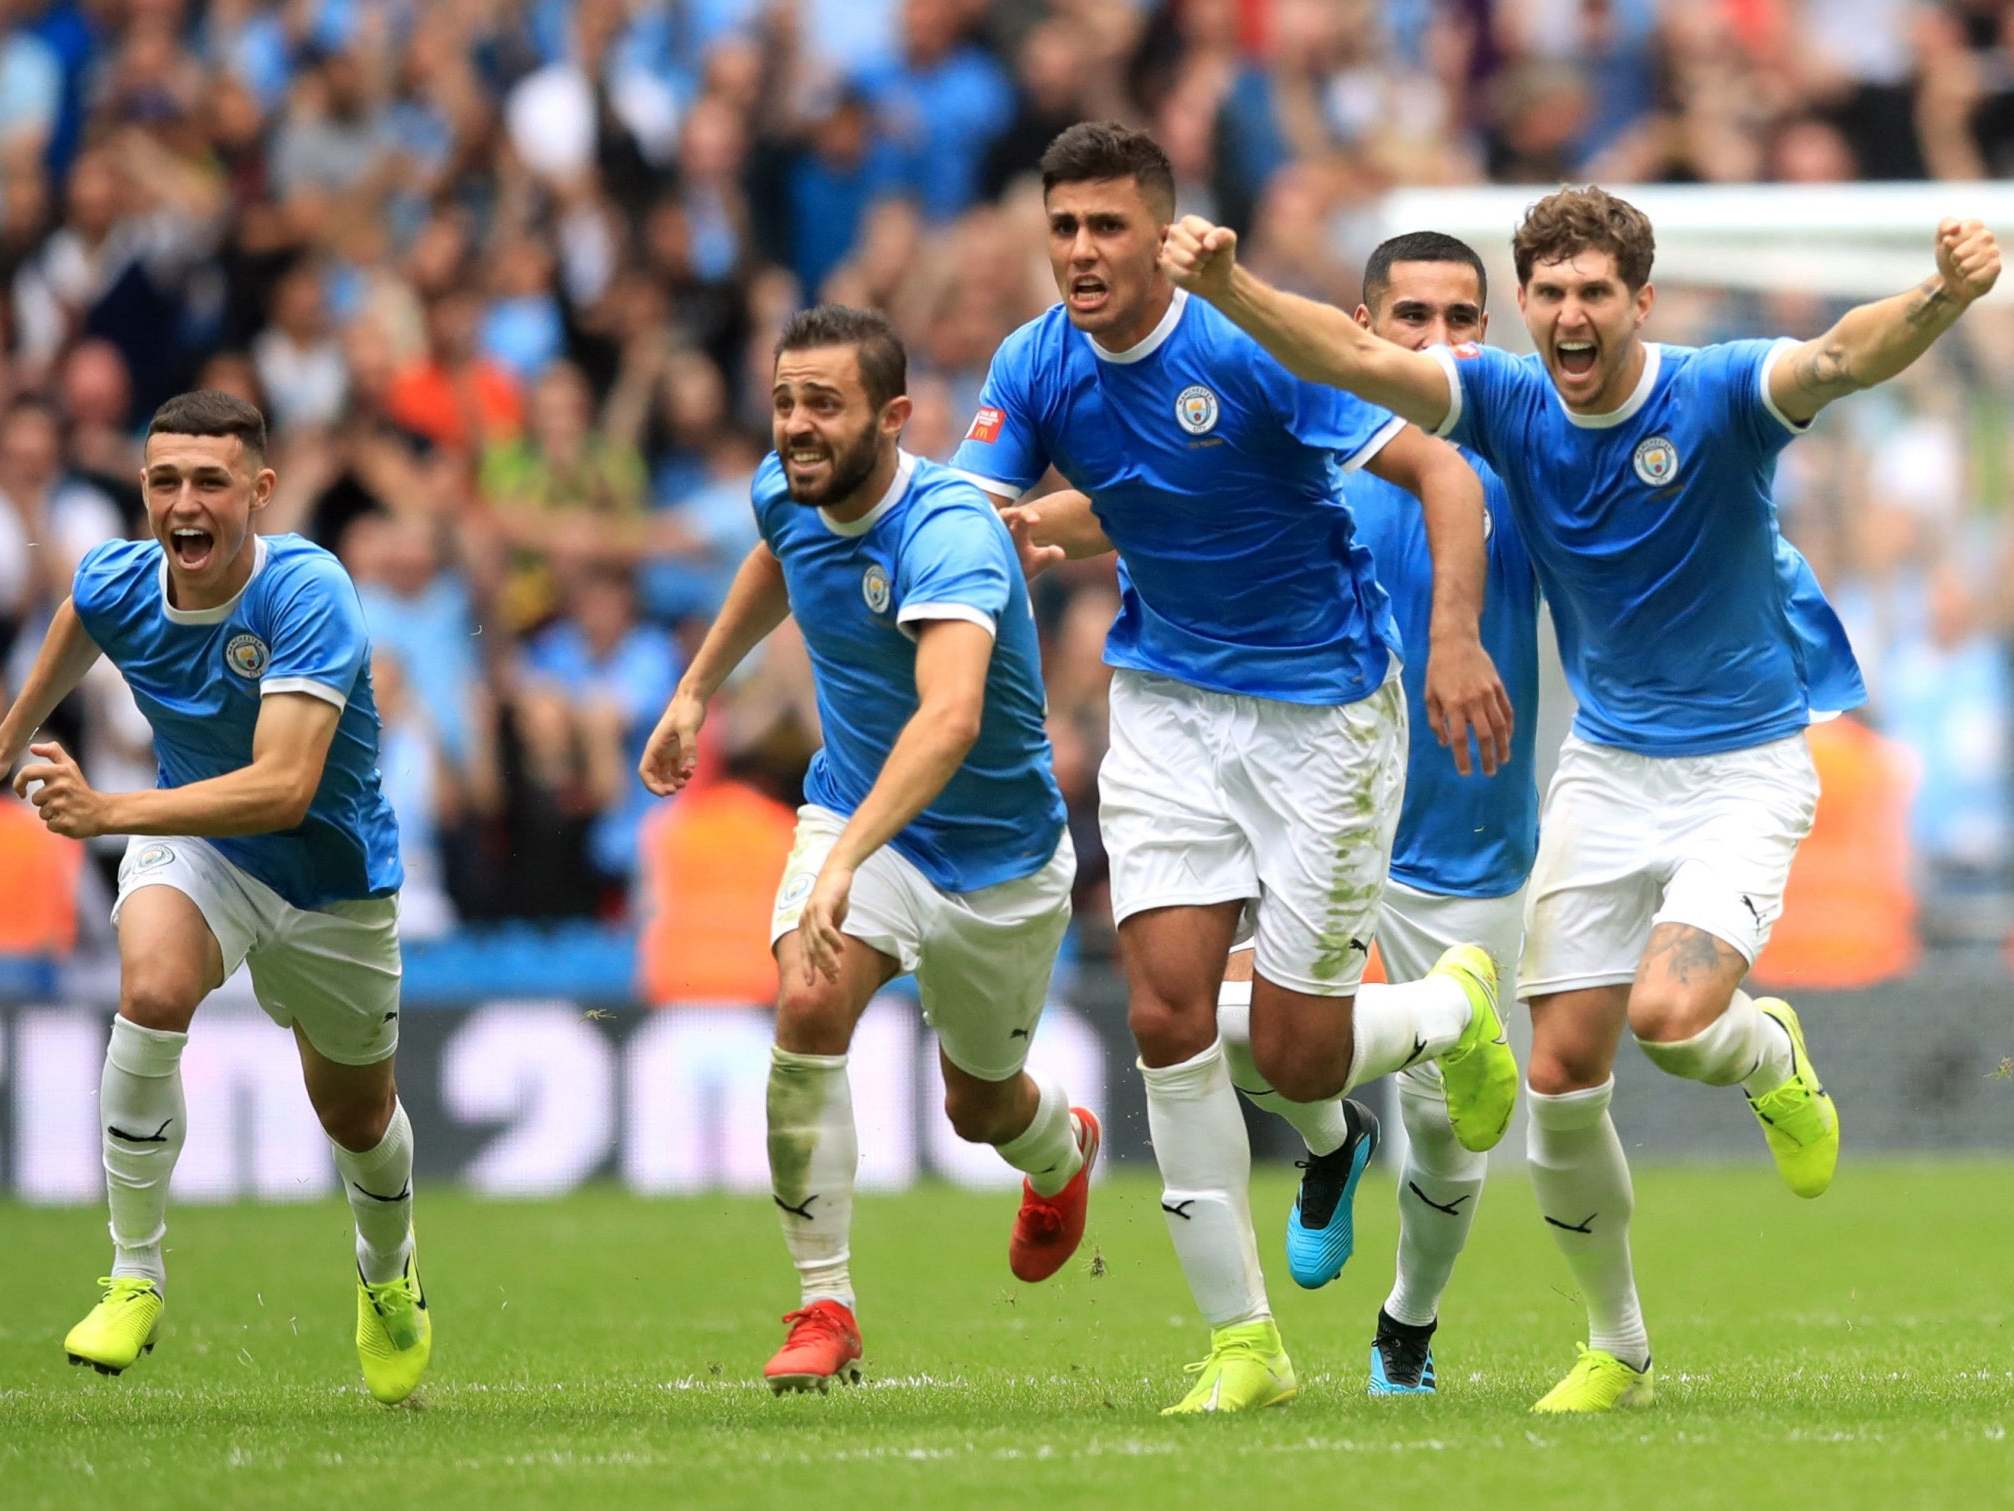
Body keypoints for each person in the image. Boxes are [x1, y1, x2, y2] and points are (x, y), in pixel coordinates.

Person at [1161, 186, 1996, 1412]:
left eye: (1592, 290)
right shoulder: (1502, 402)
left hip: (1743, 763)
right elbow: (1347, 355)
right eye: (1547, 290)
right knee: (1555, 1085)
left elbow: (1836, 354)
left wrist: (1940, 295)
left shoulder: (1715, 393)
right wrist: (1227, 288)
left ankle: (1767, 1051)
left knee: (1668, 1013)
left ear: (1638, 302)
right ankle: (1617, 1345)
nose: (1567, 312)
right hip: (1604, 769)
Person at [949, 121, 1519, 1415]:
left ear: (1162, 234)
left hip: (1321, 706)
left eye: (1106, 225)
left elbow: (1438, 469)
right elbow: (1018, 509)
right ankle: (1241, 1341)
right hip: (1162, 701)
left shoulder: (1252, 341)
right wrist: (1002, 529)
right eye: (1064, 227)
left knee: (1297, 1052)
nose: (1081, 251)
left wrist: (1449, 638)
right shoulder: (1034, 363)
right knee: (1161, 1013)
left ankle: (1446, 1011)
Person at [639, 304, 1096, 1396]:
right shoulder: (784, 485)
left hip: (999, 859)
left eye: (824, 405)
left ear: (891, 417)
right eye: (785, 401)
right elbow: (774, 556)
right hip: (854, 812)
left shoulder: (947, 531)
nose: (796, 425)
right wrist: (697, 690)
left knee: (978, 1108)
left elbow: (948, 718)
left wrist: (844, 861)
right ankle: (824, 1304)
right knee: (805, 997)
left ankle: (1059, 1150)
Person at [0, 390, 429, 1405]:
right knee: (149, 989)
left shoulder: (307, 590)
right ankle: (133, 1273)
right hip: (198, 849)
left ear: (260, 492)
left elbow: (284, 788)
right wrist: (13, 732)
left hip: (330, 879)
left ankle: (387, 1272)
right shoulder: (117, 574)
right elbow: (82, 614)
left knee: (359, 1115)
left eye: (209, 482)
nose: (183, 504)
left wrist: (109, 809)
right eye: (163, 481)